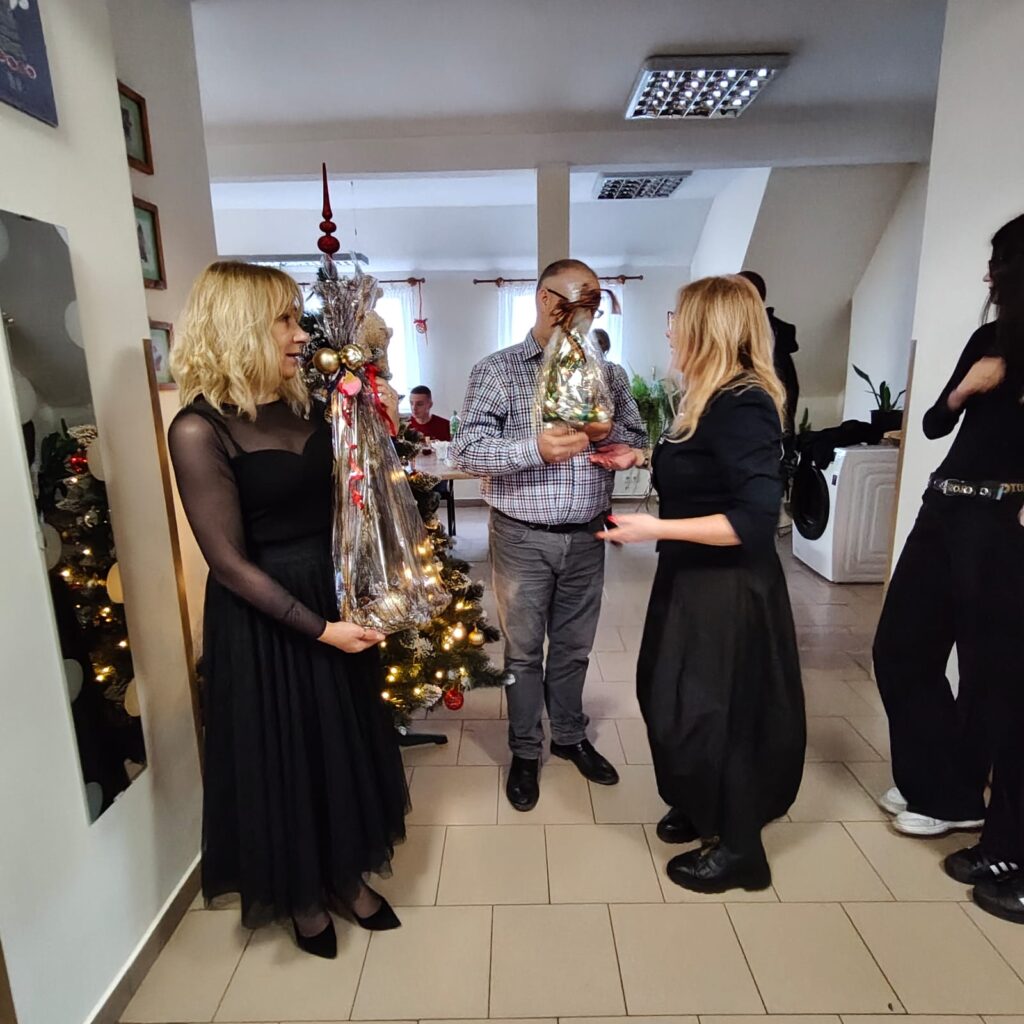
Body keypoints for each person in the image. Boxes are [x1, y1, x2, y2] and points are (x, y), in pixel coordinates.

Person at [167, 262, 408, 959]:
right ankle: (303, 896)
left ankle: (344, 875)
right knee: (287, 754)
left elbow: (352, 501)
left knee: (339, 744)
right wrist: (321, 629)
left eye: (298, 318)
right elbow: (228, 563)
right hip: (267, 617)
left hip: (330, 594)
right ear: (240, 326)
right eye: (284, 319)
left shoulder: (308, 406)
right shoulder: (198, 429)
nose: (300, 334)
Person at [594, 275, 805, 893]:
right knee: (669, 695)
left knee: (716, 711)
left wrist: (652, 528)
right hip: (691, 575)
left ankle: (740, 851)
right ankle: (699, 802)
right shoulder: (706, 397)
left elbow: (754, 520)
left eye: (675, 319)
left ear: (706, 329)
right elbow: (706, 469)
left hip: (728, 589)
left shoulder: (744, 404)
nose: (668, 330)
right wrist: (636, 457)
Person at [870, 216, 1024, 924]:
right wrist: (967, 389)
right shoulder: (989, 340)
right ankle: (944, 790)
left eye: (999, 263)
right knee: (900, 647)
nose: (988, 275)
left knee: (995, 679)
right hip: (945, 508)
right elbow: (933, 423)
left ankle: (994, 830)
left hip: (1002, 523)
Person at [452, 259, 647, 811]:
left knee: (574, 648)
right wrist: (533, 448)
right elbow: (469, 451)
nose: (587, 313)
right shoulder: (497, 371)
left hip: (589, 535)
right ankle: (524, 749)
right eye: (578, 301)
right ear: (544, 298)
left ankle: (568, 735)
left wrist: (616, 442)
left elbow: (636, 436)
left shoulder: (609, 374)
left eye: (595, 304)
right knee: (522, 653)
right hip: (521, 536)